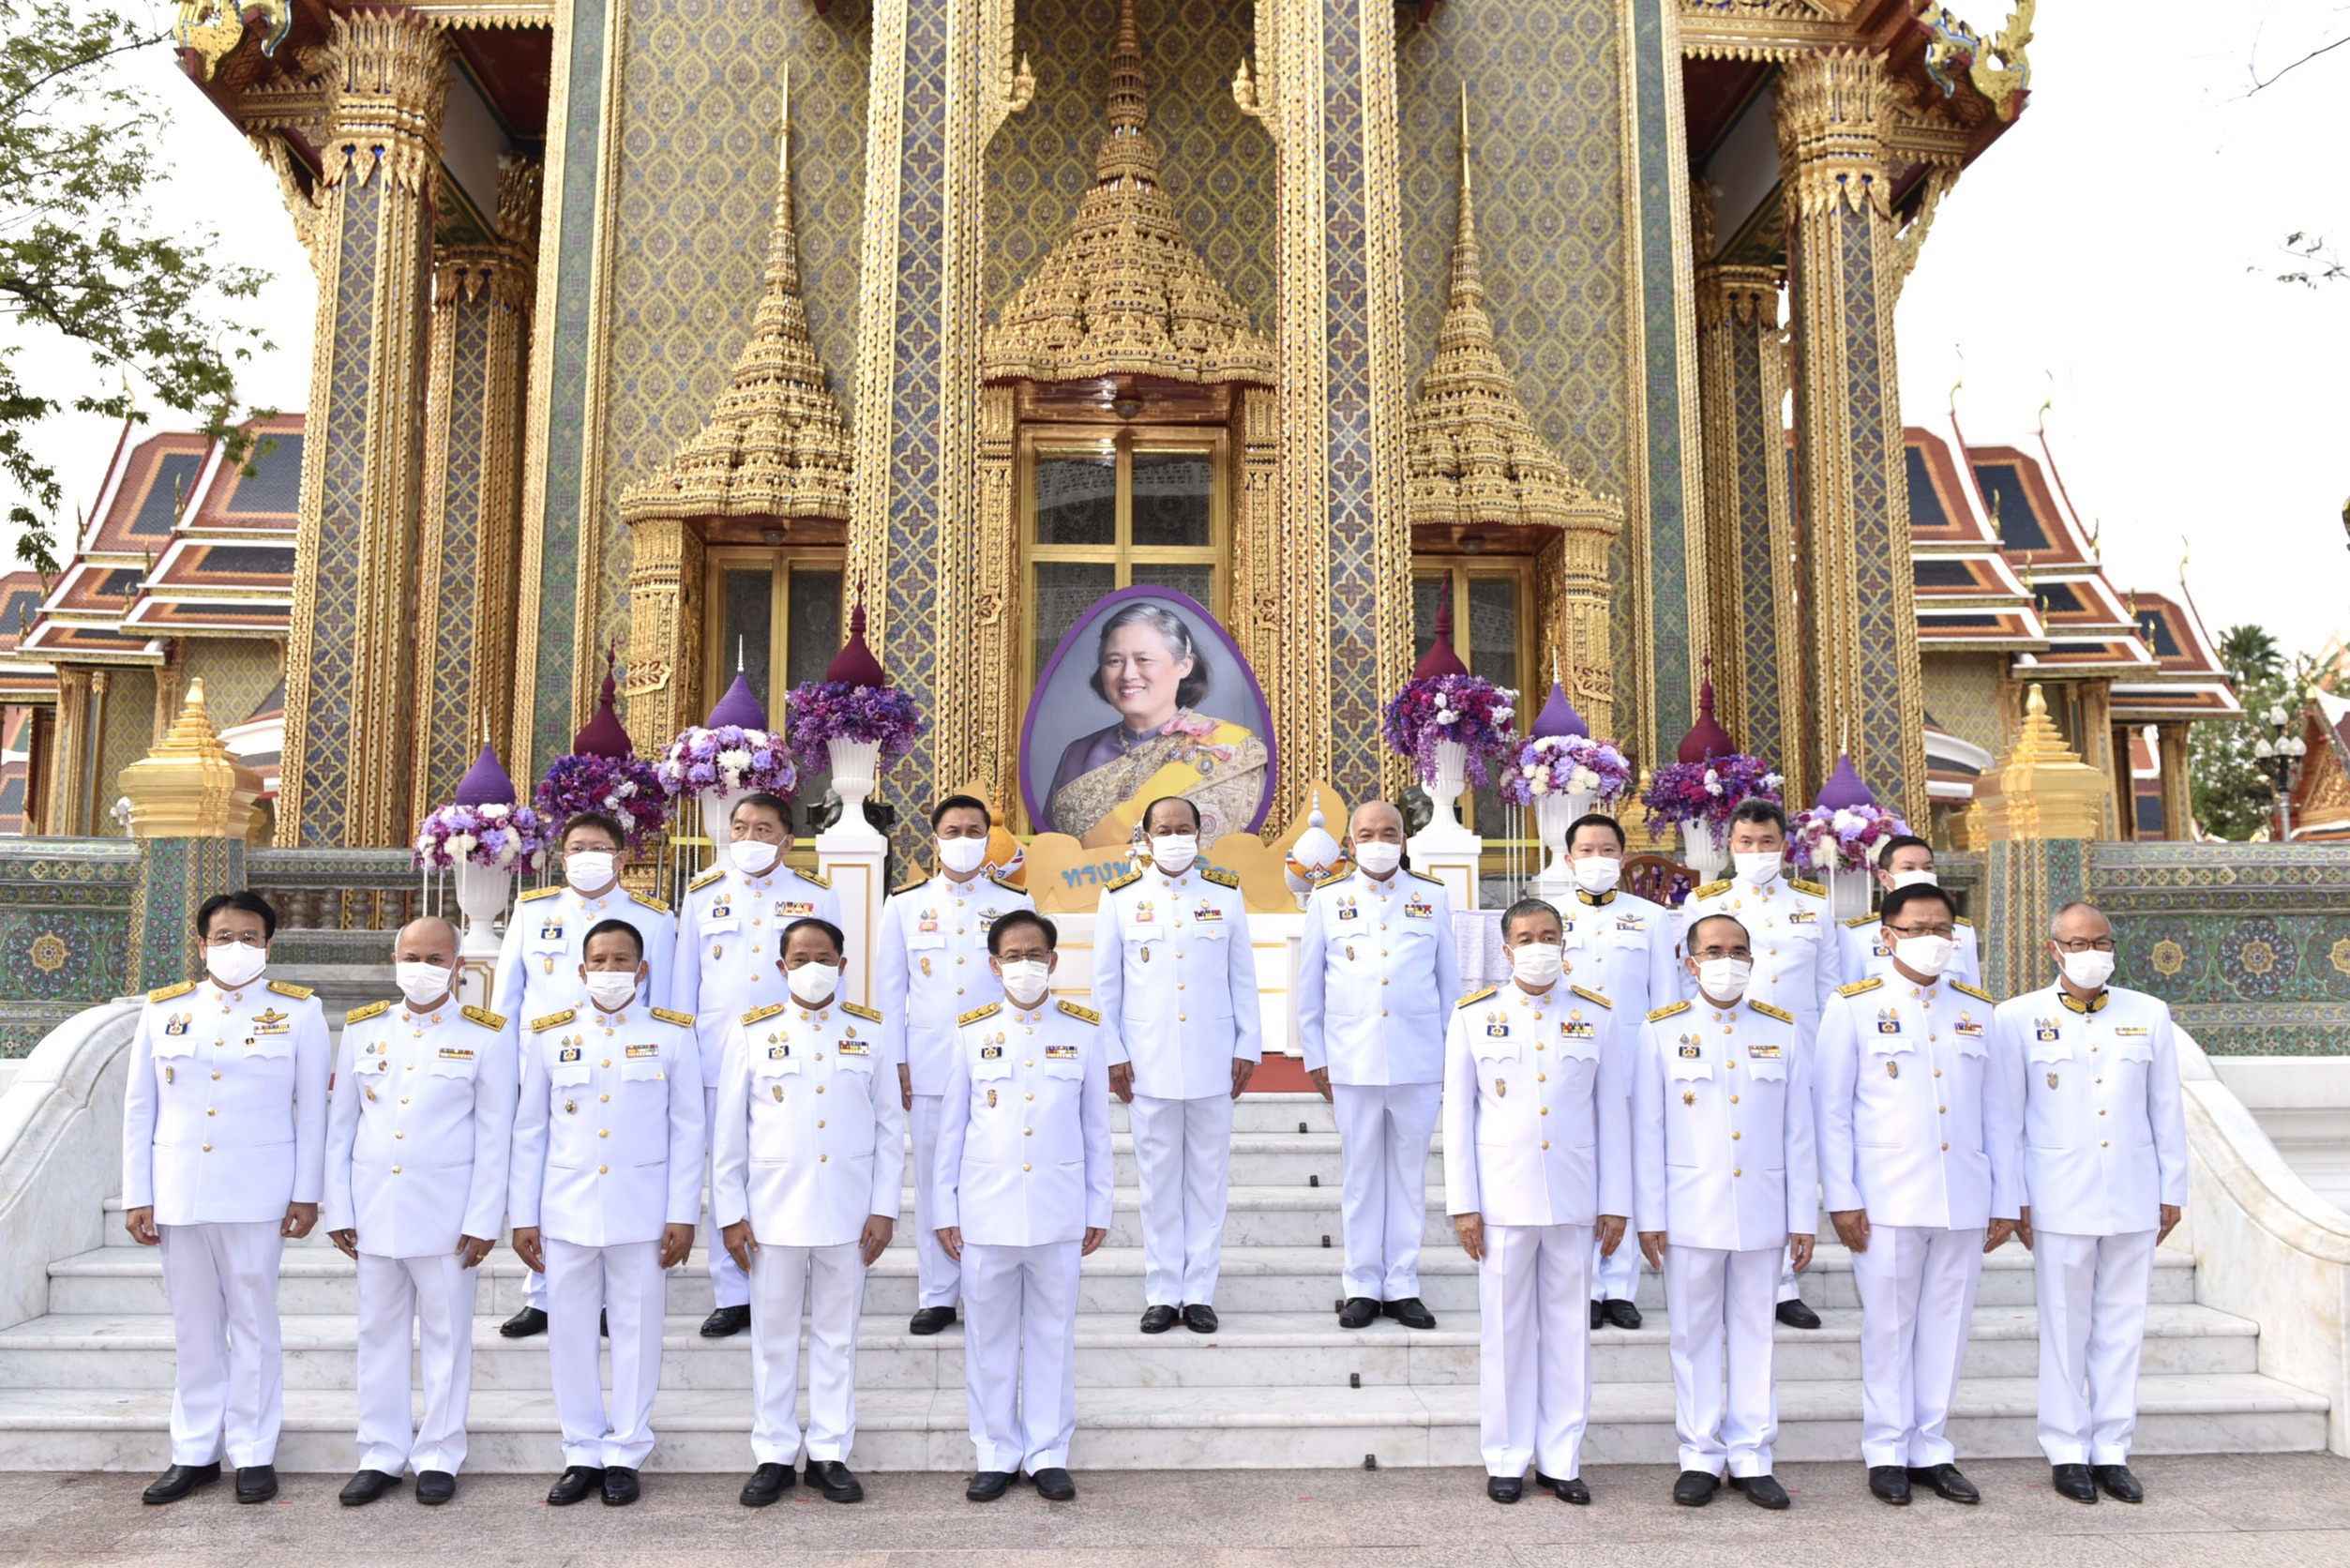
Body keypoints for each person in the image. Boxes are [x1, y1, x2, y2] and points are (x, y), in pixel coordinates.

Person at [121, 890, 329, 1506]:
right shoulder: (163, 1011)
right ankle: (194, 1451)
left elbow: (314, 1111)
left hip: (258, 1193)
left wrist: (307, 1194)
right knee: (194, 1324)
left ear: (268, 944)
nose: (234, 947)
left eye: (248, 937)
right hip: (179, 1191)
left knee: (253, 1321)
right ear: (201, 942)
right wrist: (139, 1192)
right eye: (222, 936)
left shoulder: (300, 1012)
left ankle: (255, 1452)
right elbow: (140, 1109)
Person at [1814, 883, 2016, 1508]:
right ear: (1887, 936)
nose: (1931, 940)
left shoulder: (1981, 1010)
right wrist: (1842, 1198)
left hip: (1963, 1194)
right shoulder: (1852, 1007)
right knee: (1891, 1326)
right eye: (1917, 928)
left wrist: (2005, 1198)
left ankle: (1931, 1446)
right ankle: (1886, 1450)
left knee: (1947, 1327)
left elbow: (1999, 1113)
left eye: (1941, 929)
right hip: (1886, 1198)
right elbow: (1833, 1112)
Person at [1992, 901, 2187, 1506]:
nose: (2091, 952)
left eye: (2100, 941)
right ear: (2055, 949)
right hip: (2058, 1194)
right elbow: (2006, 1117)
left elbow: (2166, 1109)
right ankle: (2067, 1448)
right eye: (2077, 943)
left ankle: (2112, 1449)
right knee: (2065, 1324)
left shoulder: (2148, 1013)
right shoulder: (2017, 1017)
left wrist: (2171, 1190)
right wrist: (2013, 1196)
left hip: (2132, 1190)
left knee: (2123, 1324)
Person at [324, 917, 519, 1507]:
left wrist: (484, 1220)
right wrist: (339, 1206)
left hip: (447, 1217)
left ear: (458, 966)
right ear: (394, 957)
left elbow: (495, 1135)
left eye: (437, 958)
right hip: (375, 1211)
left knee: (447, 1337)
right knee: (378, 1335)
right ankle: (380, 1454)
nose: (423, 967)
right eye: (413, 955)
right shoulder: (364, 1029)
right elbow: (341, 1130)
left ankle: (438, 1454)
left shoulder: (486, 1034)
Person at [509, 919, 701, 1508]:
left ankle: (625, 1450)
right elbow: (530, 1132)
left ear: (643, 972)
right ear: (581, 969)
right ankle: (580, 1451)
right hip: (566, 1211)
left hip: (643, 1212)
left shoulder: (672, 1035)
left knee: (638, 1331)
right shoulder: (550, 1035)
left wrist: (682, 1213)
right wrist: (523, 1216)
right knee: (569, 1333)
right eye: (600, 960)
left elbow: (689, 1130)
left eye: (623, 961)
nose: (611, 970)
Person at [1444, 898, 1631, 1505]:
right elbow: (1457, 1118)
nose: (1538, 946)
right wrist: (1464, 1205)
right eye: (1526, 937)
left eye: (1548, 935)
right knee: (1505, 1331)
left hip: (1575, 1199)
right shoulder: (1474, 1016)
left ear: (1563, 942)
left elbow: (1613, 1116)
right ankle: (1505, 1455)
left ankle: (1560, 1457)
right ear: (1506, 950)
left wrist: (1616, 1201)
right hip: (1500, 1201)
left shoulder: (1596, 1016)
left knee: (1569, 1331)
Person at [713, 917, 900, 1506]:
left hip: (848, 1212)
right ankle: (772, 1452)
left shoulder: (870, 1031)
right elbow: (728, 1137)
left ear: (843, 966)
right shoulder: (750, 1033)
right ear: (781, 967)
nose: (812, 966)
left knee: (837, 1336)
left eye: (824, 956)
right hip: (772, 1214)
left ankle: (828, 1453)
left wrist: (884, 1208)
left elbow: (890, 1128)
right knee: (772, 1337)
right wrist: (730, 1213)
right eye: (800, 957)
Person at [1635, 912, 1816, 1511]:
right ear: (1690, 962)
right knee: (1692, 1337)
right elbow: (1649, 1131)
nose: (1728, 960)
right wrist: (1649, 1215)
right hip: (1690, 1210)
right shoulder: (1661, 1030)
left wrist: (1803, 1216)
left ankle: (1752, 1455)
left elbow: (1799, 1133)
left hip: (1763, 1210)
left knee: (1755, 1334)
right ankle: (1699, 1455)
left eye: (1738, 950)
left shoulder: (1783, 1030)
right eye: (1714, 950)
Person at [935, 911, 1113, 1501]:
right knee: (987, 1335)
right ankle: (994, 1451)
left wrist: (1099, 1207)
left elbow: (1096, 1129)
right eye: (1013, 955)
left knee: (1052, 1334)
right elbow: (951, 1129)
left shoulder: (1086, 1029)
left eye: (1036, 954)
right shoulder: (969, 1030)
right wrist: (945, 1209)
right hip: (987, 1210)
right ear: (994, 964)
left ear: (1055, 962)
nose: (1026, 965)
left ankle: (1046, 1453)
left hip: (1059, 1209)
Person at [490, 811, 676, 1338]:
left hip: (626, 1068)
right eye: (576, 846)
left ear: (620, 857)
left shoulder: (654, 919)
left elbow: (664, 1006)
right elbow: (506, 1002)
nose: (586, 855)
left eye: (599, 847)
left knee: (614, 1170)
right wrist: (505, 1075)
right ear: (562, 855)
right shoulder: (532, 912)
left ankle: (606, 1301)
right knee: (549, 1175)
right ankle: (543, 1295)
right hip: (546, 1069)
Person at [672, 791, 841, 1339]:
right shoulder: (703, 894)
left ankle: (790, 1271)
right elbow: (684, 985)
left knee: (781, 1162)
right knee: (727, 1168)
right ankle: (732, 1292)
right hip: (717, 1052)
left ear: (787, 841)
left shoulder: (816, 894)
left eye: (763, 829)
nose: (748, 839)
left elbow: (832, 974)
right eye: (740, 828)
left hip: (790, 1055)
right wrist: (682, 1052)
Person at [1092, 795, 1260, 1333]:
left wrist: (1247, 1046)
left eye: (1183, 827)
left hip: (1214, 1060)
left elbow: (1243, 980)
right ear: (1144, 838)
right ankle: (1164, 1290)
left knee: (1207, 1180)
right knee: (1158, 1180)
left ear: (1199, 833)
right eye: (1163, 829)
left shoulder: (1225, 897)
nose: (1174, 836)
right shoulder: (1118, 900)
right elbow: (1106, 989)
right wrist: (1114, 1055)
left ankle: (1200, 1292)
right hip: (1148, 1064)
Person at [872, 794, 1033, 1335]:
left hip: (997, 1064)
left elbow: (1027, 989)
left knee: (989, 1173)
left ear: (987, 839)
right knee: (935, 1178)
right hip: (931, 1061)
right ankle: (937, 1292)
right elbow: (891, 992)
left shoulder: (1017, 902)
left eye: (973, 830)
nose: (962, 839)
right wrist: (895, 1058)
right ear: (934, 838)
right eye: (952, 830)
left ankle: (986, 1285)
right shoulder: (904, 904)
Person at [1296, 799, 1459, 1331]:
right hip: (1353, 1059)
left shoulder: (1431, 898)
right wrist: (1317, 1056)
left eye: (1389, 831)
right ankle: (1363, 1283)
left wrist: (1451, 1058)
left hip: (1418, 1060)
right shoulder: (1327, 899)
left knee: (1409, 1177)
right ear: (1350, 843)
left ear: (1405, 840)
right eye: (1367, 833)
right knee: (1362, 1176)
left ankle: (1403, 1284)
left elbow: (1448, 985)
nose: (1379, 841)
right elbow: (1311, 989)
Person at [1679, 798, 1839, 1329]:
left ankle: (1781, 1282)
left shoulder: (1814, 907)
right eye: (1745, 843)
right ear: (1730, 846)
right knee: (1726, 1155)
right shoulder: (1704, 903)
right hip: (1723, 1051)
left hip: (1795, 1055)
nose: (1755, 851)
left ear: (1784, 846)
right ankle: (1720, 1268)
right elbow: (1687, 984)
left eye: (1766, 842)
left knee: (1785, 1163)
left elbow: (1830, 989)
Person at [1553, 812, 1680, 1332]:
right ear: (1568, 860)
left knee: (1626, 1172)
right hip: (1569, 1064)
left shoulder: (1650, 918)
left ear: (1622, 858)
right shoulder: (1550, 917)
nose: (1597, 860)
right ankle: (1582, 1284)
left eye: (1607, 851)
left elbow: (1666, 1002)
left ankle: (1620, 1287)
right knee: (1579, 1172)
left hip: (1630, 1064)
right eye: (1587, 851)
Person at [1045, 598, 1270, 847]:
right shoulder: (1077, 754)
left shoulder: (1232, 748)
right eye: (1114, 661)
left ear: (1184, 665)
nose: (1128, 674)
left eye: (1143, 660)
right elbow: (1052, 854)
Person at [1838, 836, 1981, 988]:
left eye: (1928, 868)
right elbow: (1852, 994)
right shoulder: (1857, 935)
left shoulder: (1962, 932)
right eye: (1908, 868)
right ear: (1884, 877)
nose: (1921, 874)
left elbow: (1971, 992)